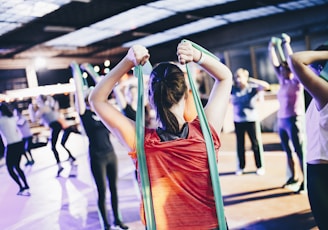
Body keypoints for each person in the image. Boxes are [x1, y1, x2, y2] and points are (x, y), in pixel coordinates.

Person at [89, 40, 232, 229]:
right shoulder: (205, 133)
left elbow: (96, 99)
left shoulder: (141, 142)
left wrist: (128, 61)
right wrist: (197, 56)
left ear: (150, 98)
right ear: (186, 94)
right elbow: (225, 77)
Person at [72, 63, 129, 230]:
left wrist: (90, 70)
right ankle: (105, 224)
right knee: (102, 192)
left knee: (114, 189)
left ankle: (117, 220)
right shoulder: (85, 115)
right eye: (90, 95)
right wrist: (76, 71)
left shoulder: (102, 112)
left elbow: (103, 86)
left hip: (111, 154)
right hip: (97, 157)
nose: (94, 96)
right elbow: (78, 92)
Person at [288, 43, 328, 229]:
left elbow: (296, 60)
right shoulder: (318, 95)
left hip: (323, 174)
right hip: (317, 170)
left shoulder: (325, 93)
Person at [268, 33, 305, 190]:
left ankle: (304, 182)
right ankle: (293, 177)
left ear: (290, 69)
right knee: (288, 152)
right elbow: (274, 62)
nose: (281, 71)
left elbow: (293, 61)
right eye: (281, 69)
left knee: (299, 151)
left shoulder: (297, 81)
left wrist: (285, 44)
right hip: (282, 120)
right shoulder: (282, 81)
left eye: (284, 69)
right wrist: (271, 48)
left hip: (293, 119)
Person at [231, 68, 270, 176]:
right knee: (240, 145)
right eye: (236, 77)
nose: (238, 80)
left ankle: (259, 166)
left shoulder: (252, 89)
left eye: (240, 77)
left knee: (255, 144)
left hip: (251, 120)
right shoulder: (233, 89)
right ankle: (241, 167)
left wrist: (251, 80)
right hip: (238, 121)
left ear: (245, 77)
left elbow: (266, 86)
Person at [28, 95, 77, 177]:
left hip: (55, 126)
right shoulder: (47, 106)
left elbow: (34, 119)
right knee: (57, 145)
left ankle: (60, 165)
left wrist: (30, 108)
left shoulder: (43, 108)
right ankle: (69, 158)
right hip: (55, 126)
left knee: (53, 147)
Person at [0, 102, 30, 196]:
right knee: (17, 166)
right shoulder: (12, 118)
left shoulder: (1, 120)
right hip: (19, 143)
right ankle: (26, 185)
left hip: (11, 145)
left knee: (10, 168)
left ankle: (21, 187)